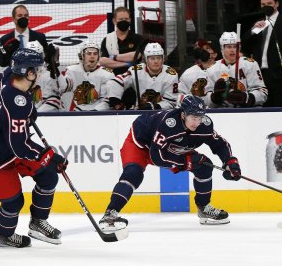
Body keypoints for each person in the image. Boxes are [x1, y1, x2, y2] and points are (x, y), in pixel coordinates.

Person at [98, 95, 241, 231]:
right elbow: (156, 156)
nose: (196, 123)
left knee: (204, 167)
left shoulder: (204, 125)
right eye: (193, 118)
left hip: (169, 146)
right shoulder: (169, 124)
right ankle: (110, 215)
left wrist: (230, 162)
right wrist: (186, 161)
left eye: (199, 118)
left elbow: (220, 145)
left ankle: (204, 208)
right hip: (141, 143)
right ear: (183, 114)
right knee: (133, 173)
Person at [0, 48, 68, 248]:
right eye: (38, 69)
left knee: (49, 175)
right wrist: (49, 156)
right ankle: (4, 235)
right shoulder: (16, 104)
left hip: (6, 144)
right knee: (14, 203)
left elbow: (1, 77)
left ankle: (37, 222)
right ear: (28, 73)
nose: (40, 73)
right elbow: (20, 146)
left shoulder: (8, 78)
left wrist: (29, 110)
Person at [242, 0, 282, 107]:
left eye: (269, 3)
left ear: (276, 4)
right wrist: (252, 31)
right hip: (260, 76)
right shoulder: (258, 23)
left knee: (279, 109)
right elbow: (245, 46)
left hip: (279, 75)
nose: (266, 7)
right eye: (263, 4)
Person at [103, 42, 179, 110]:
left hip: (162, 113)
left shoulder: (171, 75)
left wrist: (154, 107)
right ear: (146, 59)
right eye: (152, 58)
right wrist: (116, 101)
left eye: (159, 58)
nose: (156, 61)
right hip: (139, 111)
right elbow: (115, 82)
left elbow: (171, 102)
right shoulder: (136, 70)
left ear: (163, 59)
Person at [205, 32, 268, 108]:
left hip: (248, 113)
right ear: (222, 48)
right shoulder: (212, 69)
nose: (232, 50)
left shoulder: (250, 64)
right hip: (223, 114)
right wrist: (214, 97)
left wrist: (246, 98)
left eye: (235, 47)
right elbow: (206, 100)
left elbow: (263, 93)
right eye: (229, 47)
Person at [60, 41, 115, 111]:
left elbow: (106, 100)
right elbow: (62, 88)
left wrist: (93, 112)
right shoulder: (72, 70)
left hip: (99, 113)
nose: (92, 56)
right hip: (77, 111)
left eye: (95, 54)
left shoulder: (107, 74)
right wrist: (55, 70)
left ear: (99, 57)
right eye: (89, 54)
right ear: (82, 56)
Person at [0, 5, 48, 69]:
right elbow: (2, 63)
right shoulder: (5, 39)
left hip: (35, 75)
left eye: (25, 15)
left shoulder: (40, 37)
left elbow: (46, 60)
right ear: (13, 19)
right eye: (20, 16)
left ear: (28, 18)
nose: (23, 18)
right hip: (13, 77)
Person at [99, 6, 144, 75]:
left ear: (130, 20)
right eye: (121, 19)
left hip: (134, 76)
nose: (124, 21)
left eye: (126, 19)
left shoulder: (138, 38)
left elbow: (136, 55)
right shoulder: (107, 39)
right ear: (114, 21)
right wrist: (127, 64)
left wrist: (113, 57)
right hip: (113, 77)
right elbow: (103, 61)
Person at [24, 41, 64, 112]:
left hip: (47, 117)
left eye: (36, 55)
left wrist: (35, 115)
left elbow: (55, 100)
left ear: (42, 55)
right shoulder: (20, 75)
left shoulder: (49, 75)